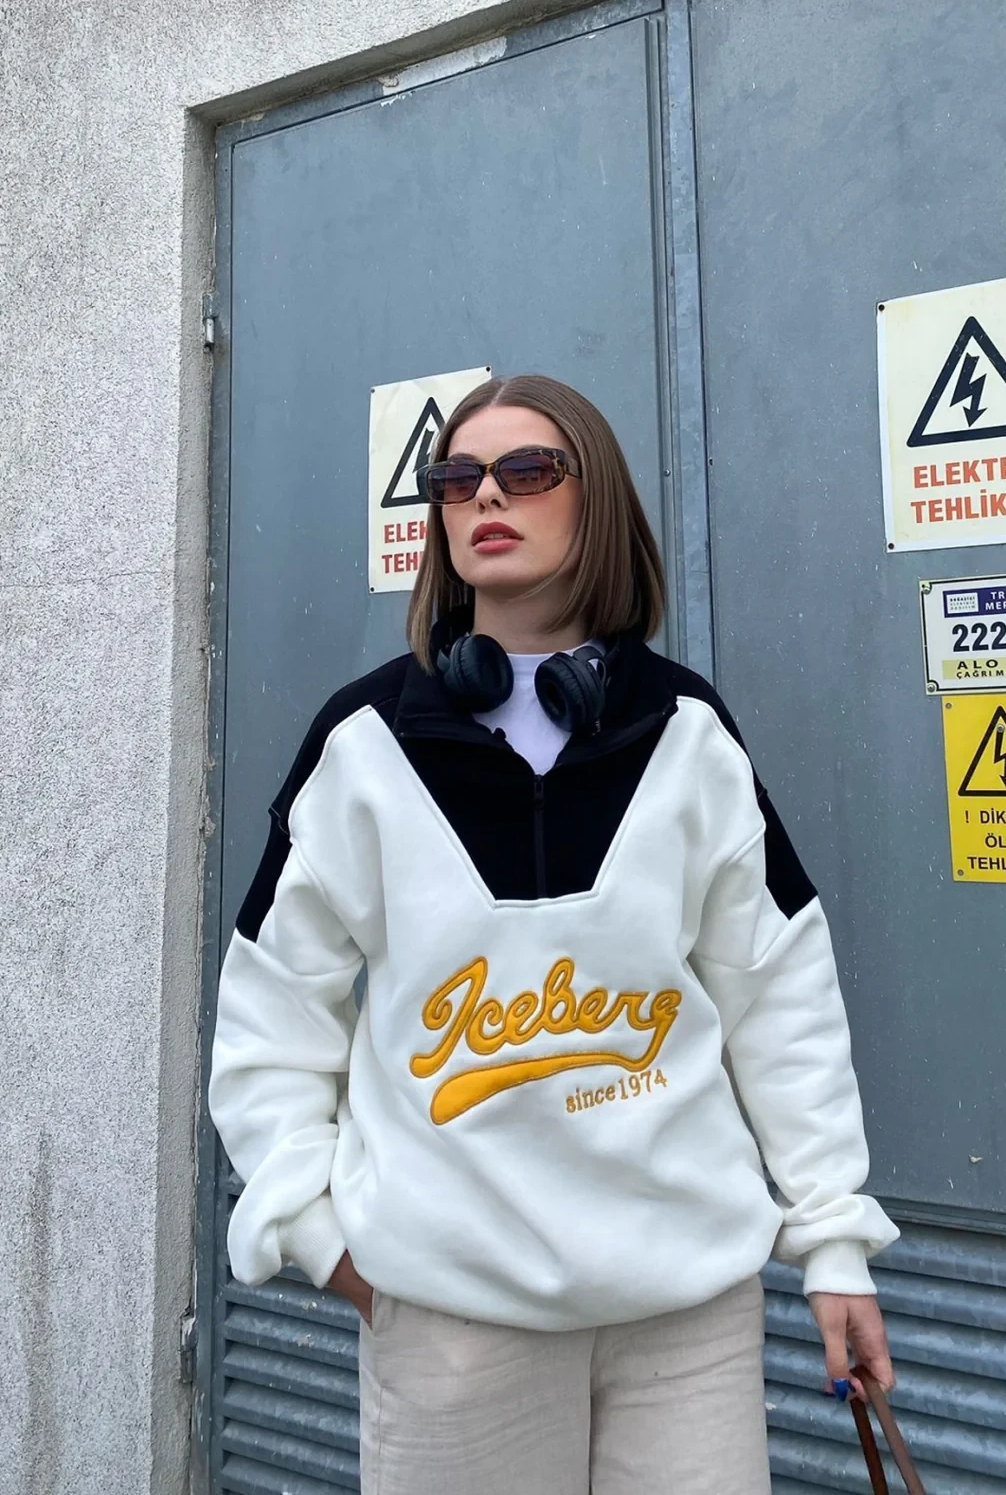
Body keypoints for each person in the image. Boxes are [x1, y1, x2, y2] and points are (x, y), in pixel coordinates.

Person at [208, 373, 898, 1495]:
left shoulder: (688, 734)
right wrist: (321, 1240)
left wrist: (833, 1246)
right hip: (450, 1331)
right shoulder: (362, 745)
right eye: (457, 477)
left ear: (597, 499)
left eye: (527, 470)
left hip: (686, 1327)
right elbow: (270, 1015)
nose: (487, 495)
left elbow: (781, 1002)